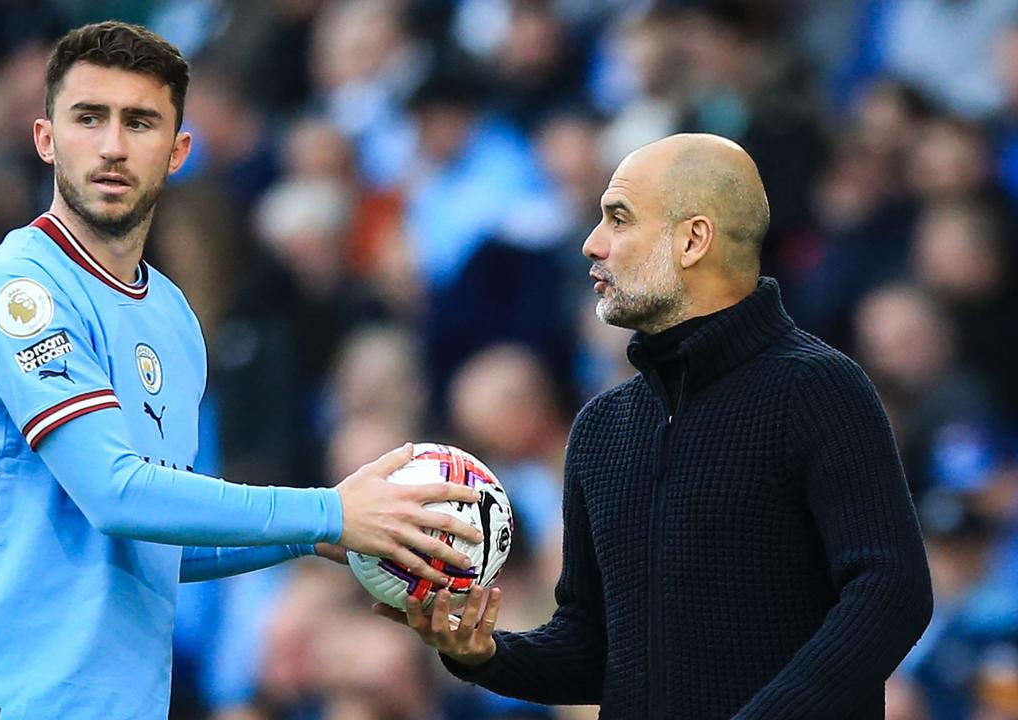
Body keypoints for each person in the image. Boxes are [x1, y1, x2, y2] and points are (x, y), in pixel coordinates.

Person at [0, 22, 482, 720]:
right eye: (88, 118)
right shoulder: (16, 290)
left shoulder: (172, 316)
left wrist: (320, 534)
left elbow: (158, 538)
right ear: (45, 139)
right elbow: (115, 494)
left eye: (139, 122)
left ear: (177, 151)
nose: (111, 146)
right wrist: (329, 511)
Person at [380, 133, 934, 719]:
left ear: (694, 239)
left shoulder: (818, 389)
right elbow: (592, 648)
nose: (592, 244)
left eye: (618, 219)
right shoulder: (602, 427)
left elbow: (891, 592)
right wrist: (483, 652)